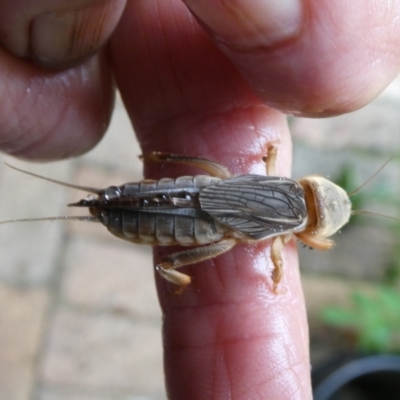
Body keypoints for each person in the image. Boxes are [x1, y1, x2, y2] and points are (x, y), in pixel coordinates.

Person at [1, 1, 399, 399]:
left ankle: (156, 168)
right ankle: (167, 258)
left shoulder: (280, 180)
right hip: (205, 227)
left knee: (214, 173)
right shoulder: (289, 238)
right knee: (172, 265)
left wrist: (166, 162)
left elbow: (263, 163)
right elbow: (290, 255)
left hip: (191, 192)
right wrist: (278, 274)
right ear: (311, 231)